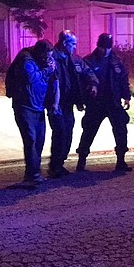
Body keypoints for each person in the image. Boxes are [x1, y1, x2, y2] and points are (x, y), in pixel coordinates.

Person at [75, 33, 133, 173]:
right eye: (103, 47)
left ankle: (121, 161)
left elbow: (123, 79)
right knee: (89, 131)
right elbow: (80, 83)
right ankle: (81, 161)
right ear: (98, 46)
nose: (106, 50)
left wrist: (126, 96)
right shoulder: (89, 61)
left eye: (108, 47)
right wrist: (80, 100)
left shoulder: (116, 60)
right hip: (96, 103)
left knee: (120, 130)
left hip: (113, 101)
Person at [46, 30, 99, 179]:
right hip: (56, 104)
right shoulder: (52, 59)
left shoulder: (74, 59)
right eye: (73, 44)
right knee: (60, 132)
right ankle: (54, 166)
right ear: (64, 43)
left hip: (69, 103)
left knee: (68, 133)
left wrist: (93, 84)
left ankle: (60, 164)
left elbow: (87, 71)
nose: (75, 47)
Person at [10, 39, 60, 187]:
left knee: (39, 140)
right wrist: (46, 69)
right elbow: (30, 77)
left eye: (49, 56)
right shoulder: (25, 58)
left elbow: (55, 81)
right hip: (24, 106)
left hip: (39, 106)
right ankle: (32, 174)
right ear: (39, 53)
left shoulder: (46, 60)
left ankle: (34, 172)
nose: (48, 59)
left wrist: (54, 103)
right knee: (31, 139)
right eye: (45, 56)